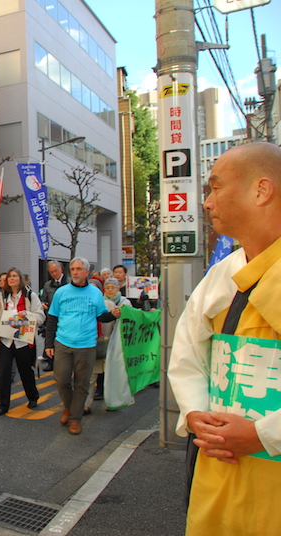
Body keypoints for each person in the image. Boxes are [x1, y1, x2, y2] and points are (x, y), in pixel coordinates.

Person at [168, 142, 281, 535]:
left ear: (261, 190)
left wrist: (262, 434)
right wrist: (196, 411)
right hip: (217, 466)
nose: (208, 202)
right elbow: (188, 350)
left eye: (216, 187)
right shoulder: (224, 272)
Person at [44, 257, 120, 435]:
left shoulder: (94, 293)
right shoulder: (61, 292)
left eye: (79, 269)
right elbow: (52, 319)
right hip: (63, 343)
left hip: (86, 345)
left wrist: (113, 314)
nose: (75, 272)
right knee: (61, 380)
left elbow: (101, 316)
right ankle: (69, 408)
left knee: (82, 384)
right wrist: (49, 343)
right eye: (73, 269)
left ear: (87, 272)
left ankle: (75, 418)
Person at [0, 267, 45, 415]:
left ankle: (33, 396)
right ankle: (3, 404)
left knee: (25, 370)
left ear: (20, 278)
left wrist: (28, 314)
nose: (11, 279)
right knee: (4, 372)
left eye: (14, 276)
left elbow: (41, 316)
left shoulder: (30, 296)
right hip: (5, 340)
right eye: (9, 277)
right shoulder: (2, 297)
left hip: (23, 340)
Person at [85, 278, 131, 414]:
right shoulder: (85, 304)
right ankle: (85, 405)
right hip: (92, 344)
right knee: (90, 376)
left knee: (110, 374)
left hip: (110, 345)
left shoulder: (111, 304)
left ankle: (112, 402)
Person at [40, 260, 67, 371]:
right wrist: (43, 304)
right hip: (51, 315)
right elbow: (43, 298)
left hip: (65, 316)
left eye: (56, 271)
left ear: (61, 269)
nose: (54, 273)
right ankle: (51, 362)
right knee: (50, 337)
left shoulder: (69, 282)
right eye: (51, 272)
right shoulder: (47, 285)